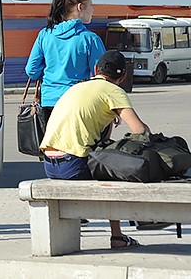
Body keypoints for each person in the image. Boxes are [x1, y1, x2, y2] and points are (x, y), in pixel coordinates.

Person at [40, 50, 150, 249]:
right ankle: (124, 231)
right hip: (72, 165)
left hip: (50, 164)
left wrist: (107, 119)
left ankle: (126, 230)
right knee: (117, 170)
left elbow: (93, 138)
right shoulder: (113, 91)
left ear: (96, 70)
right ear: (123, 76)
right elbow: (139, 130)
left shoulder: (77, 87)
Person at [25, 0, 106, 123]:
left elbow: (31, 71)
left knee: (51, 144)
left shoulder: (45, 35)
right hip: (77, 102)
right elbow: (102, 76)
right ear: (80, 7)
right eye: (91, 5)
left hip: (48, 102)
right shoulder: (90, 39)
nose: (93, 9)